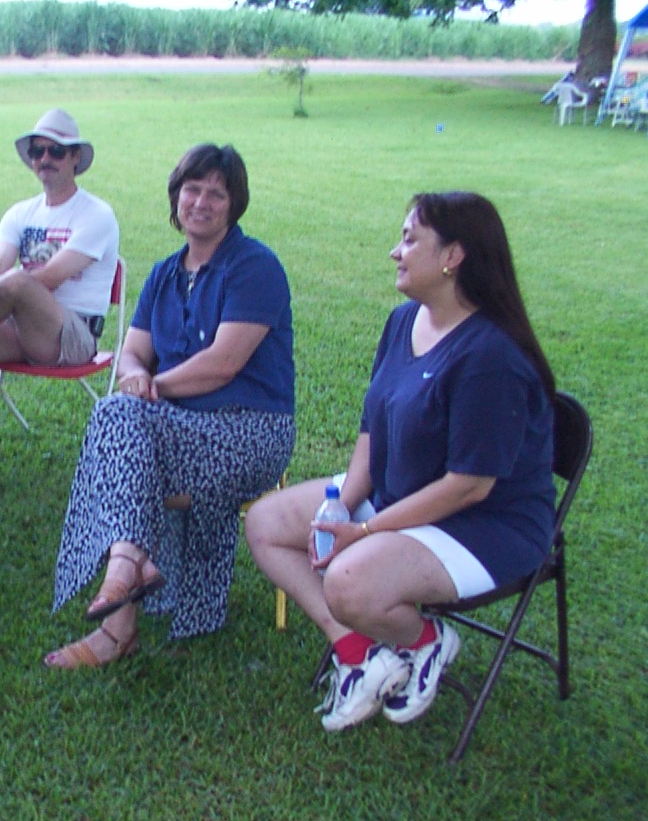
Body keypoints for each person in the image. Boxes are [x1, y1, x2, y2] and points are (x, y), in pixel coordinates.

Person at [245, 191, 556, 732]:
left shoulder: (491, 358)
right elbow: (373, 428)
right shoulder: (403, 321)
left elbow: (469, 487)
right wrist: (342, 505)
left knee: (348, 582)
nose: (395, 251)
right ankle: (360, 653)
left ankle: (428, 642)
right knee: (266, 521)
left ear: (453, 256)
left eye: (410, 238)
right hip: (400, 496)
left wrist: (364, 532)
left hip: (481, 525)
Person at [44, 144, 295, 669]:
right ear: (176, 196)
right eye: (192, 188)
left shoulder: (255, 267)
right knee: (121, 419)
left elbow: (222, 364)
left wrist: (151, 387)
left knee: (119, 419)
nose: (201, 201)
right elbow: (132, 352)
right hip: (175, 428)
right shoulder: (163, 274)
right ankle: (129, 578)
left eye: (216, 193)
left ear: (234, 204)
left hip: (248, 433)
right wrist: (135, 376)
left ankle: (121, 582)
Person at [0, 108, 120, 495]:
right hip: (18, 327)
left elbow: (47, 278)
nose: (45, 160)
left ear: (76, 158)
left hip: (74, 337)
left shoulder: (97, 214)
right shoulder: (20, 213)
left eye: (56, 151)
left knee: (19, 280)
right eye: (37, 152)